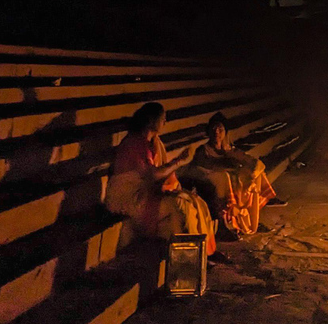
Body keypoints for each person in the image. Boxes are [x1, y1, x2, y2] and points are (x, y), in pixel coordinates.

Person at [105, 103, 218, 256]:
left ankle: (201, 253)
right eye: (163, 118)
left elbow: (165, 174)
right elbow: (152, 175)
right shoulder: (134, 143)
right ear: (152, 120)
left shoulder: (156, 143)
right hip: (130, 196)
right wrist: (178, 161)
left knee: (195, 202)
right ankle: (187, 256)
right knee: (179, 206)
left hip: (147, 192)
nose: (165, 122)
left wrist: (177, 188)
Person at [189, 112, 285, 237]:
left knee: (256, 175)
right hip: (215, 181)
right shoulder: (204, 150)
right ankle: (226, 223)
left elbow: (254, 162)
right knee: (225, 178)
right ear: (209, 131)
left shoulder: (230, 149)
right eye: (213, 129)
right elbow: (205, 167)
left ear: (225, 133)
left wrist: (251, 173)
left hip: (233, 181)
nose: (217, 132)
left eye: (220, 129)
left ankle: (251, 217)